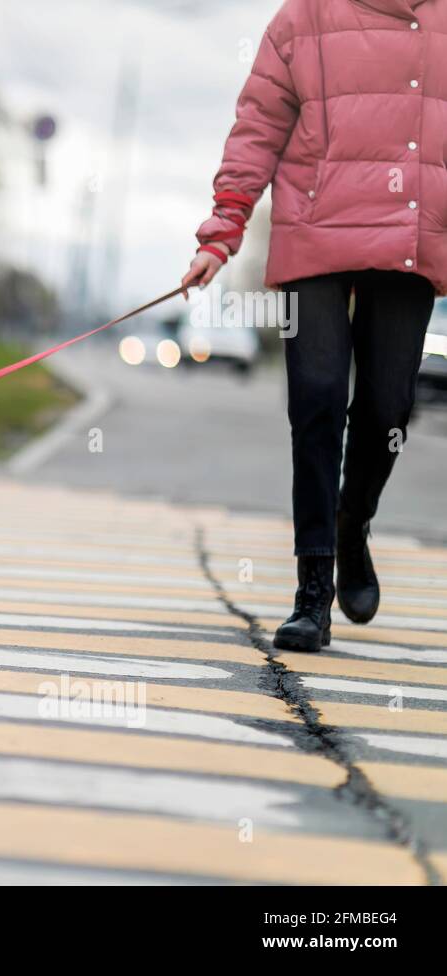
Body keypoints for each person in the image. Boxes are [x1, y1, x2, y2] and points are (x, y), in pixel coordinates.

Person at [182, 0, 446, 652]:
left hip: (410, 235)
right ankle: (313, 590)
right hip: (314, 232)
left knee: (387, 409)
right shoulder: (306, 16)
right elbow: (258, 124)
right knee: (318, 397)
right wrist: (223, 230)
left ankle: (352, 523)